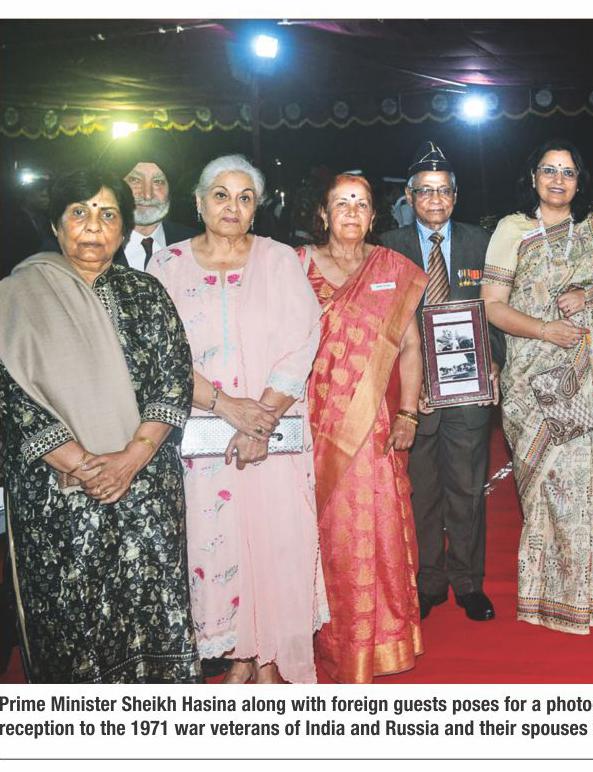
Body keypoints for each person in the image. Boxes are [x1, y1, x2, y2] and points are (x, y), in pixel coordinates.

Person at [0, 169, 197, 682]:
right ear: (56, 224)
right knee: (73, 615)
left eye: (108, 214)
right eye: (79, 212)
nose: (93, 225)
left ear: (124, 228)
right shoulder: (16, 296)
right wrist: (83, 464)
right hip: (57, 491)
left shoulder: (146, 292)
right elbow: (10, 395)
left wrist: (131, 459)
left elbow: (173, 379)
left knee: (152, 604)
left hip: (145, 483)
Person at [149, 154, 327, 684]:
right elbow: (160, 353)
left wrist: (261, 420)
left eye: (245, 197)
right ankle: (238, 657)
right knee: (214, 543)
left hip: (273, 436)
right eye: (221, 195)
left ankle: (270, 660)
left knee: (275, 543)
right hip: (201, 439)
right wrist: (228, 408)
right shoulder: (166, 265)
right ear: (199, 202)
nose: (232, 206)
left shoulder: (279, 260)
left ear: (257, 208)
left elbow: (303, 338)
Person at [481, 139, 593, 634]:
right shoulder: (513, 229)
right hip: (533, 379)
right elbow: (492, 305)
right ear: (533, 177)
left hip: (591, 375)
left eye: (568, 172)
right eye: (549, 170)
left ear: (580, 180)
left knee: (588, 481)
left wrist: (589, 293)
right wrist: (544, 330)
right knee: (547, 484)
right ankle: (549, 593)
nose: (558, 180)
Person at [302, 173, 427, 682]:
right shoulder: (296, 266)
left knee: (376, 532)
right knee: (321, 535)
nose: (352, 211)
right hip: (311, 427)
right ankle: (324, 642)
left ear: (374, 215)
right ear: (324, 214)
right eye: (342, 202)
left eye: (361, 203)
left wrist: (408, 412)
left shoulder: (392, 270)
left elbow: (412, 346)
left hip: (372, 427)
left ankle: (380, 642)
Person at [378, 142, 502, 622]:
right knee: (422, 492)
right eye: (425, 191)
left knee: (467, 490)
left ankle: (469, 583)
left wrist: (494, 362)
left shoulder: (481, 242)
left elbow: (497, 310)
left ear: (456, 196)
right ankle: (428, 582)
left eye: (444, 191)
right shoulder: (387, 248)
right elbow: (380, 327)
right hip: (414, 396)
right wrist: (405, 388)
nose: (435, 199)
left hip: (469, 388)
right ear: (409, 197)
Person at [111, 137, 199, 270]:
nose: (147, 195)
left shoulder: (196, 244)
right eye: (135, 180)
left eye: (158, 182)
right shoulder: (94, 245)